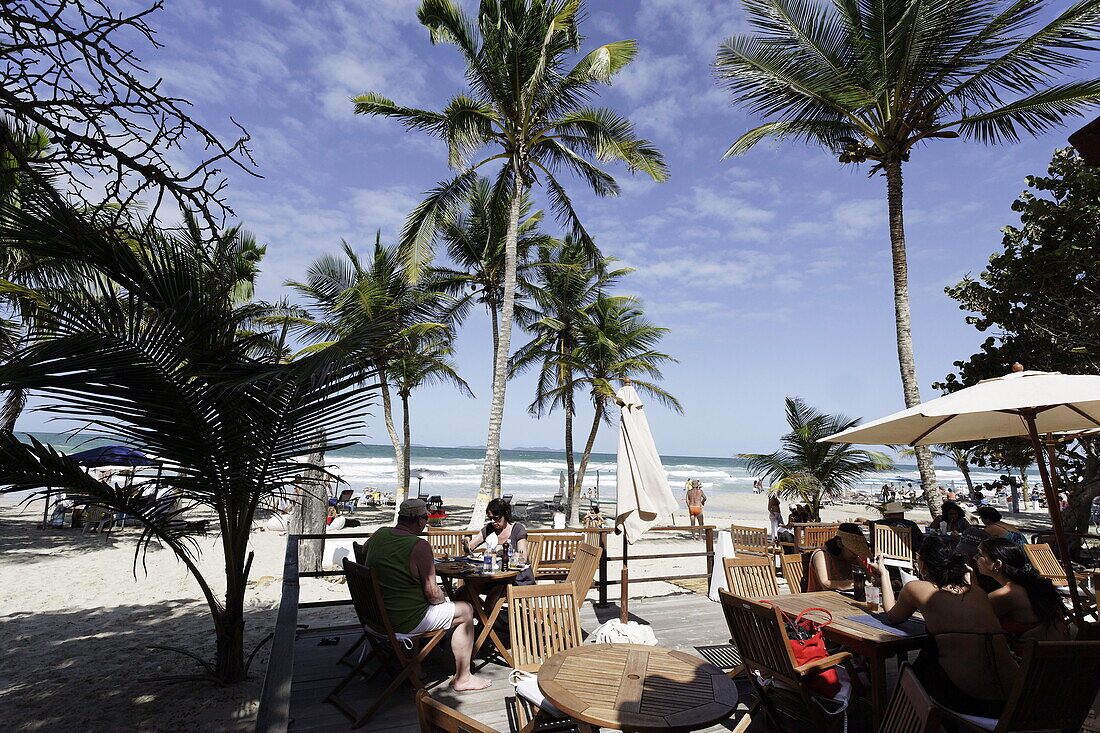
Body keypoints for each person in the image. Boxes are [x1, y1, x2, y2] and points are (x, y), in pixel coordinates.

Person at [876, 536, 1017, 718]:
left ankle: (903, 720)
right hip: (1012, 700)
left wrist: (884, 575)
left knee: (924, 658)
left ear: (924, 565)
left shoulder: (916, 588)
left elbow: (893, 615)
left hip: (970, 700)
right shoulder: (979, 592)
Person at [362, 499, 491, 691]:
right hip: (405, 621)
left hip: (377, 618)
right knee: (465, 610)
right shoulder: (418, 545)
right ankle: (463, 677)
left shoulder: (380, 534)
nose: (427, 523)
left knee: (419, 602)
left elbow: (363, 552)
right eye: (426, 518)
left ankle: (414, 668)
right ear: (420, 520)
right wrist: (444, 601)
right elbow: (432, 593)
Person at [975, 538, 1069, 653]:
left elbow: (972, 622)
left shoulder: (1006, 594)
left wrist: (971, 587)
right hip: (1051, 659)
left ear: (997, 564)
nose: (975, 557)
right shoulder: (1028, 585)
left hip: (1028, 665)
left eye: (980, 554)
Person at [807, 523, 874, 593]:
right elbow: (825, 583)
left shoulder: (853, 557)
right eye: (853, 550)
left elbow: (870, 577)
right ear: (839, 544)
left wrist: (881, 577)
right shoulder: (821, 555)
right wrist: (855, 583)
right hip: (817, 599)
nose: (856, 554)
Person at [463, 498, 529, 562]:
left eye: (497, 518)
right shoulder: (489, 528)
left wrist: (504, 549)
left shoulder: (517, 529)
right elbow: (470, 547)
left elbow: (523, 558)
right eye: (490, 518)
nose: (493, 521)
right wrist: (466, 542)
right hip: (494, 570)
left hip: (516, 571)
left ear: (505, 514)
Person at [858, 502, 924, 553]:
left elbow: (867, 522)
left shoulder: (881, 523)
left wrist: (858, 518)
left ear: (888, 515)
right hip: (908, 553)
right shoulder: (911, 524)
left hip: (887, 552)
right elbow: (921, 538)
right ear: (901, 514)